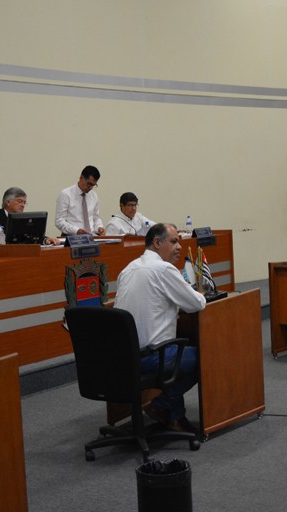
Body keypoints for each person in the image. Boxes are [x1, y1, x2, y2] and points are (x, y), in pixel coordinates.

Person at [113, 223, 206, 432]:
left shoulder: (128, 269)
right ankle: (160, 405)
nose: (179, 247)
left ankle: (175, 419)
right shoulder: (163, 269)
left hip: (123, 358)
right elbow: (196, 304)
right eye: (174, 241)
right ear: (157, 242)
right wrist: (199, 293)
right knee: (206, 356)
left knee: (176, 352)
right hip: (150, 357)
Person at [55, 165, 105, 236]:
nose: (90, 188)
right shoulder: (65, 194)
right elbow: (59, 221)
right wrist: (77, 231)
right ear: (81, 178)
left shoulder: (94, 195)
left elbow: (96, 218)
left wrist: (99, 227)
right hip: (72, 237)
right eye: (89, 184)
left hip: (91, 237)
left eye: (94, 185)